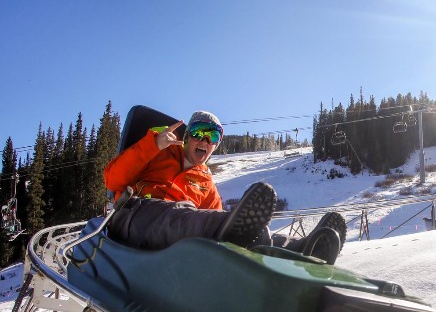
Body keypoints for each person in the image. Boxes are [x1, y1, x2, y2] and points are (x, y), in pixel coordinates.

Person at [104, 110, 347, 263]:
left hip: (173, 237)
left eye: (214, 137)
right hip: (134, 218)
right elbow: (112, 180)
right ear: (187, 136)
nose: (205, 141)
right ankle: (231, 231)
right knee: (189, 216)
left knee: (243, 229)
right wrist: (153, 146)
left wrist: (236, 224)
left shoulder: (205, 182)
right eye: (200, 132)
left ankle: (301, 249)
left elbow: (217, 216)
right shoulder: (157, 151)